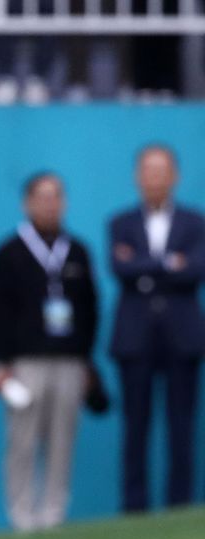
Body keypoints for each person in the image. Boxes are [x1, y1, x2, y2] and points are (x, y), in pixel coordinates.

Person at [0, 173, 99, 532]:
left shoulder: (77, 250)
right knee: (22, 441)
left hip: (68, 360)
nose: (50, 203)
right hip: (25, 362)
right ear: (27, 203)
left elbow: (90, 309)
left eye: (56, 196)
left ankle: (53, 515)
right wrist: (1, 362)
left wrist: (85, 360)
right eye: (42, 197)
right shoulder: (10, 252)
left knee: (63, 440)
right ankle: (22, 516)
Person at [109, 145, 205, 513]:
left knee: (182, 427)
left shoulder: (195, 222)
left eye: (162, 170)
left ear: (175, 176)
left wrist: (145, 265)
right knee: (136, 428)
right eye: (148, 170)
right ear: (137, 176)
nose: (155, 177)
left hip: (183, 337)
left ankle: (180, 506)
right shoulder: (121, 223)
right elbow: (121, 271)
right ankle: (135, 507)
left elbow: (196, 269)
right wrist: (171, 264)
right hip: (135, 338)